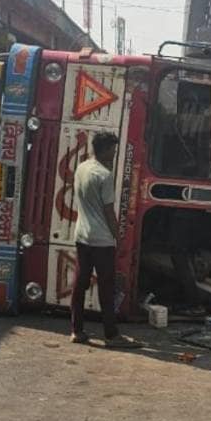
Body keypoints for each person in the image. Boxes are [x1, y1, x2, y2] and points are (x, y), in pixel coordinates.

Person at [70, 132, 138, 348]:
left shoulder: (82, 168)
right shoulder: (104, 175)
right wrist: (118, 236)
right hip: (101, 240)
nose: (114, 153)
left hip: (82, 234)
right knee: (106, 287)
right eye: (113, 150)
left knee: (80, 283)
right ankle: (111, 335)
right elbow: (109, 212)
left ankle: (76, 331)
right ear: (105, 149)